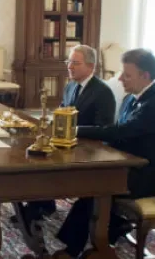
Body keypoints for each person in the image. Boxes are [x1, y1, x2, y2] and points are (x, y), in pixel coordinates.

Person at [56, 48, 155, 258]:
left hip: (149, 175)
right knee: (88, 181)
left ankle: (75, 250)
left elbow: (119, 132)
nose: (120, 79)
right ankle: (112, 228)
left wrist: (74, 129)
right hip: (129, 165)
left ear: (145, 76)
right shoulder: (132, 99)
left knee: (94, 189)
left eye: (127, 75)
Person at [14, 45, 116, 246]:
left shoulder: (102, 92)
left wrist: (74, 130)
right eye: (68, 62)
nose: (69, 66)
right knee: (35, 155)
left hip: (88, 149)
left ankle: (41, 206)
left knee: (47, 160)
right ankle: (40, 204)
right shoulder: (70, 86)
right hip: (66, 142)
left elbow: (105, 129)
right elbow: (61, 112)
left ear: (91, 66)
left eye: (75, 63)